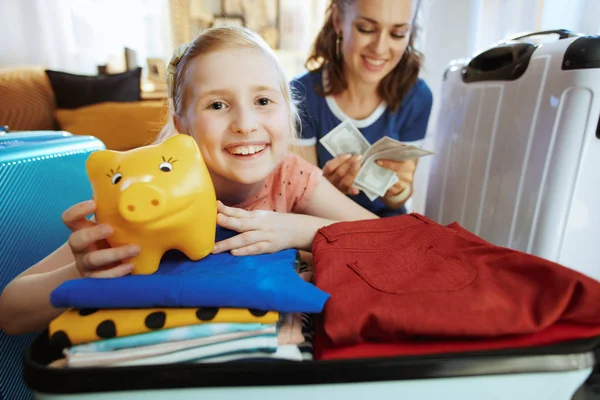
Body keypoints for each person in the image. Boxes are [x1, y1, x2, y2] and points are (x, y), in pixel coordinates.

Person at [0, 26, 377, 335]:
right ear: (182, 127)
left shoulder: (289, 177)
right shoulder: (145, 190)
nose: (246, 123)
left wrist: (299, 230)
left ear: (289, 111)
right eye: (217, 105)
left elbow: (388, 238)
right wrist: (81, 271)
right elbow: (11, 311)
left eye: (263, 101)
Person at [290, 0, 433, 218]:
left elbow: (401, 198)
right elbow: (297, 200)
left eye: (398, 33)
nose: (380, 48)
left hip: (386, 229)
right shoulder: (302, 95)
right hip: (322, 226)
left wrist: (397, 191)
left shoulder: (417, 97)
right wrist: (324, 192)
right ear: (338, 20)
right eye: (366, 29)